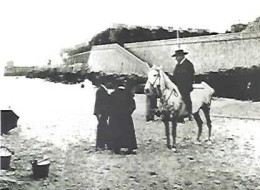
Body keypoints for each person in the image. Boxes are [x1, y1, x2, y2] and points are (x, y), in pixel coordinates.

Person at [109, 79, 137, 154]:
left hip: (115, 118)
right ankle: (130, 147)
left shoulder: (112, 94)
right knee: (128, 132)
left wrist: (112, 114)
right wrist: (129, 113)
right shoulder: (128, 94)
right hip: (126, 117)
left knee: (116, 132)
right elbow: (133, 106)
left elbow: (109, 106)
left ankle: (116, 148)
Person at [172, 49, 195, 120]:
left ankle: (189, 113)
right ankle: (180, 113)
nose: (176, 58)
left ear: (181, 56)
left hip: (186, 86)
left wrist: (188, 86)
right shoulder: (177, 65)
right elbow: (175, 76)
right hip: (178, 86)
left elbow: (191, 76)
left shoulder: (188, 64)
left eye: (177, 57)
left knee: (186, 99)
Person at [93, 77, 111, 151]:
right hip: (102, 112)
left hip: (101, 112)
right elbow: (100, 103)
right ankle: (100, 144)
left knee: (103, 127)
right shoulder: (101, 91)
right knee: (102, 128)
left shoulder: (101, 90)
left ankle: (102, 144)